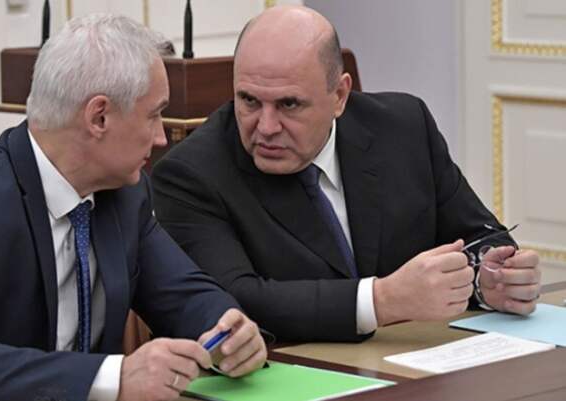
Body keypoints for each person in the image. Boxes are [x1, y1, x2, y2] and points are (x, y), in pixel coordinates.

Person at [151, 5, 541, 342]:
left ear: (339, 95)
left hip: (418, 365)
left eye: (289, 104)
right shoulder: (191, 174)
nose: (265, 127)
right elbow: (231, 302)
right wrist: (382, 301)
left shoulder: (404, 126)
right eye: (249, 100)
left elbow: (479, 236)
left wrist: (491, 280)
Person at [0, 14, 266, 401]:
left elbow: (185, 295)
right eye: (154, 115)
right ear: (99, 117)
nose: (162, 138)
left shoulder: (124, 194)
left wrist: (230, 331)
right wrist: (113, 377)